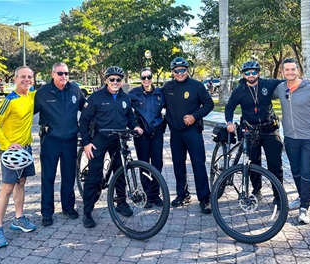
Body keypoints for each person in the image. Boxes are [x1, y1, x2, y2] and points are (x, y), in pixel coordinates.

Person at [79, 66, 143, 228]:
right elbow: (84, 121)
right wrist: (86, 143)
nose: (115, 82)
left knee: (120, 171)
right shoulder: (96, 97)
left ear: (122, 82)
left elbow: (130, 116)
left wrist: (135, 126)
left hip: (118, 138)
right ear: (106, 80)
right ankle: (87, 211)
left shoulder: (125, 98)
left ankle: (120, 202)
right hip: (99, 139)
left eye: (118, 80)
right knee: (94, 174)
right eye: (112, 79)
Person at [273, 58, 310, 224]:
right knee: (296, 171)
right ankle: (301, 198)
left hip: (309, 138)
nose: (290, 72)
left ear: (298, 70)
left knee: (307, 173)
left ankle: (304, 208)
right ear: (282, 72)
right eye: (287, 70)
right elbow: (265, 91)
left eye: (293, 69)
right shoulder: (280, 88)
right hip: (291, 138)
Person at [0, 66, 37, 248]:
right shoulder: (10, 100)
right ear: (15, 79)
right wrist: (6, 145)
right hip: (11, 152)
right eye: (23, 77)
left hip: (26, 150)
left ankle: (18, 218)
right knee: (7, 188)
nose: (26, 80)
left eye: (29, 77)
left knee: (21, 183)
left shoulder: (31, 97)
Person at [225, 60, 284, 204]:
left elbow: (287, 80)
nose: (250, 75)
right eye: (247, 73)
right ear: (243, 75)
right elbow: (229, 107)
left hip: (269, 128)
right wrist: (229, 122)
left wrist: (305, 81)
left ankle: (278, 195)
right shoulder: (239, 90)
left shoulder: (267, 84)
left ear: (258, 73)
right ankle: (256, 191)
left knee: (275, 164)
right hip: (250, 130)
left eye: (253, 72)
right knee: (253, 164)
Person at [34, 62, 86, 227]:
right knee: (48, 177)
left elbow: (86, 109)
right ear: (52, 74)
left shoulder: (75, 90)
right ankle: (47, 213)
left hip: (70, 141)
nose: (64, 76)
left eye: (66, 73)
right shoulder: (42, 93)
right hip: (50, 141)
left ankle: (68, 207)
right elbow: (26, 113)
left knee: (69, 176)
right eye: (60, 73)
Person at [161, 57, 214, 214]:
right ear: (172, 72)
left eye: (182, 70)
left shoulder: (197, 86)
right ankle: (182, 194)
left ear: (187, 70)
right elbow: (157, 102)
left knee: (198, 164)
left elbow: (209, 104)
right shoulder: (167, 87)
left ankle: (204, 198)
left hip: (192, 132)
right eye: (176, 71)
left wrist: (194, 116)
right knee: (178, 164)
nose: (180, 73)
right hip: (175, 133)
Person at [128, 68, 166, 208]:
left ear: (152, 77)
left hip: (156, 133)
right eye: (143, 77)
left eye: (148, 77)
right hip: (142, 134)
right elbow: (126, 111)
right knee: (144, 164)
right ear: (140, 79)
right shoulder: (133, 94)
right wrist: (134, 126)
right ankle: (146, 195)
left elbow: (171, 108)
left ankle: (155, 194)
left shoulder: (160, 93)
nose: (146, 80)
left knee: (157, 164)